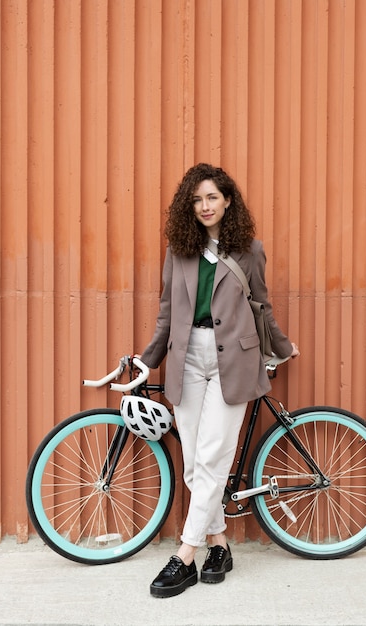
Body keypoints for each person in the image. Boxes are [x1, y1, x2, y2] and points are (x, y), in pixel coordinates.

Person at [139, 163, 299, 598]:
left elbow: (261, 305)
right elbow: (167, 311)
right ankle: (219, 544)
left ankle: (185, 556)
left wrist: (281, 347)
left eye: (212, 197)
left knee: (211, 457)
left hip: (235, 361)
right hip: (187, 358)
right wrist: (147, 359)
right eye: (196, 199)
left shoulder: (249, 249)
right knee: (193, 463)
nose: (205, 206)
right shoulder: (180, 249)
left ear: (228, 200)